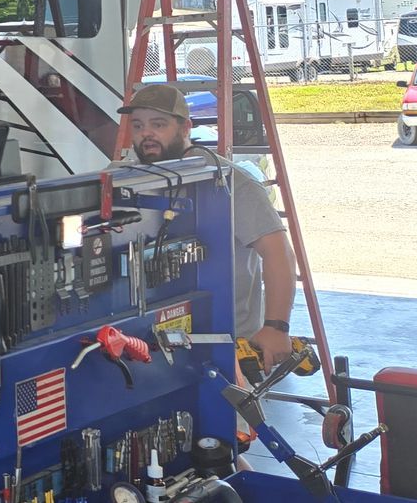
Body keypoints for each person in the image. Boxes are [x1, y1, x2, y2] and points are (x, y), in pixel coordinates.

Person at [120, 83, 296, 368]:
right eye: (138, 125)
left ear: (185, 127)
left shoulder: (231, 182)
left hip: (229, 348)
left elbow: (278, 253)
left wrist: (276, 327)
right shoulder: (127, 181)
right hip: (155, 344)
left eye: (158, 124)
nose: (146, 134)